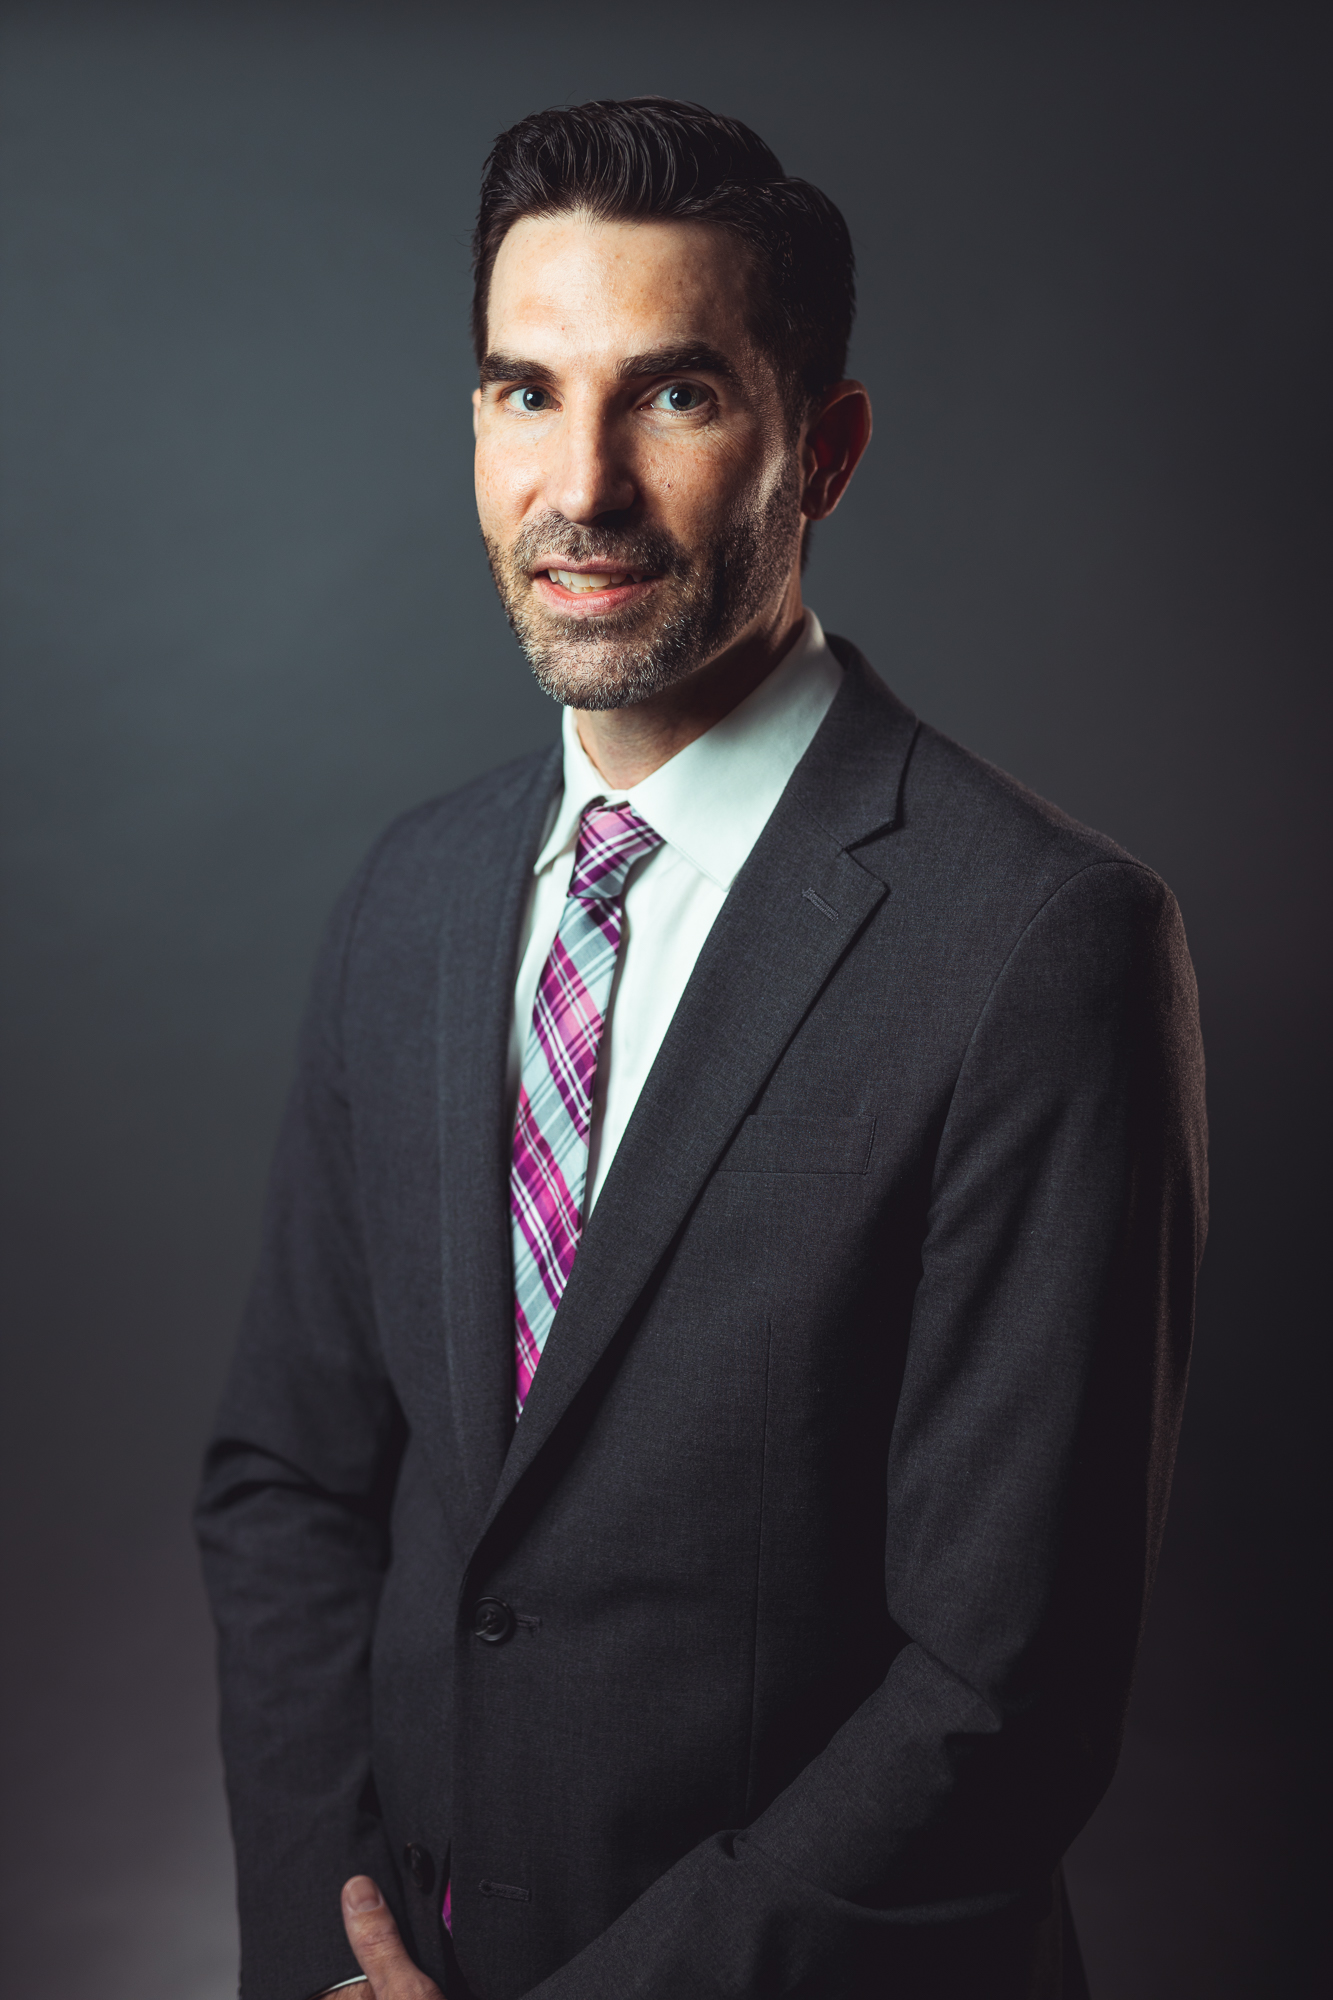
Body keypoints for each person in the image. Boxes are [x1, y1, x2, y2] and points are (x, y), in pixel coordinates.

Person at [196, 98, 1207, 2000]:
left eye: (671, 397)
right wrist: (323, 1947)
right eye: (521, 393)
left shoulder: (1042, 945)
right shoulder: (408, 900)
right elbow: (290, 1486)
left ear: (818, 450)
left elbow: (1004, 1693)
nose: (578, 485)